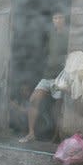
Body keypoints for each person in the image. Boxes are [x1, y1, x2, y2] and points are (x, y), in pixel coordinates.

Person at [19, 11, 69, 142]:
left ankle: (58, 136)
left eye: (60, 18)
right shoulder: (51, 34)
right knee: (33, 100)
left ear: (64, 20)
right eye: (55, 18)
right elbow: (47, 52)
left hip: (60, 77)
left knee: (58, 109)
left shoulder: (69, 35)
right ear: (52, 20)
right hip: (47, 75)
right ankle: (31, 133)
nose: (57, 20)